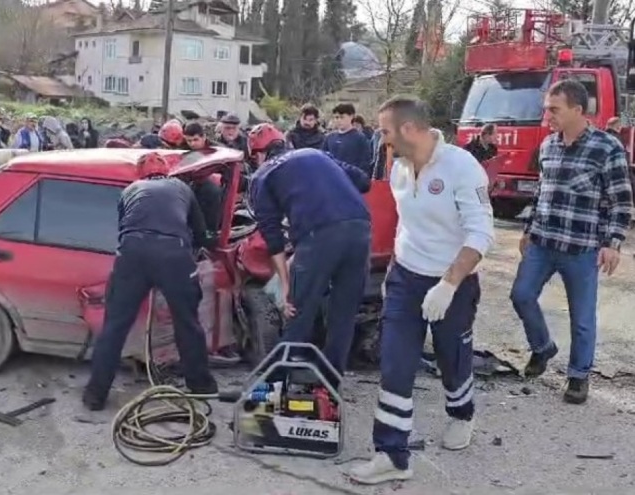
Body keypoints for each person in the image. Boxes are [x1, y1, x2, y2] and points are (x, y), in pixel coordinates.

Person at [348, 96, 494, 485]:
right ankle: (392, 454)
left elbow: (481, 234)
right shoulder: (397, 168)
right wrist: (395, 269)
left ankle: (462, 412)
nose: (381, 139)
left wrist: (447, 285)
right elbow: (406, 225)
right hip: (405, 280)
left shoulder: (463, 168)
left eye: (385, 130)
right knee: (395, 365)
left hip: (453, 283)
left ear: (409, 129)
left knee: (452, 357)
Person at [509, 80, 633, 405]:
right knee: (521, 295)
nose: (547, 115)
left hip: (581, 249)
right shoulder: (548, 146)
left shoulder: (608, 148)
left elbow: (621, 201)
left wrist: (613, 243)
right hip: (543, 242)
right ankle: (543, 348)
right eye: (547, 108)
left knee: (582, 318)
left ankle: (578, 376)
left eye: (554, 109)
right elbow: (541, 192)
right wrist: (528, 228)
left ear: (578, 110)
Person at [82, 153, 219, 411]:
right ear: (167, 172)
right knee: (187, 322)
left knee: (114, 326)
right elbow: (201, 233)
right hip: (173, 254)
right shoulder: (182, 188)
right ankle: (201, 386)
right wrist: (206, 242)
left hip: (132, 254)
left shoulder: (130, 190)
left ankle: (95, 395)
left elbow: (124, 228)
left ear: (140, 174)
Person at [248, 123, 371, 375]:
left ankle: (271, 388)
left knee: (299, 312)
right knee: (343, 314)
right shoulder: (317, 154)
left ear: (258, 154)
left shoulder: (263, 175)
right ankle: (329, 384)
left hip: (319, 235)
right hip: (361, 229)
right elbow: (363, 181)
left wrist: (284, 287)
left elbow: (273, 239)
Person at [322, 103, 372, 176]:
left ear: (351, 116)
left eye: (342, 117)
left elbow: (365, 165)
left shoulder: (360, 138)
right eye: (336, 117)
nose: (338, 120)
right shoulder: (329, 138)